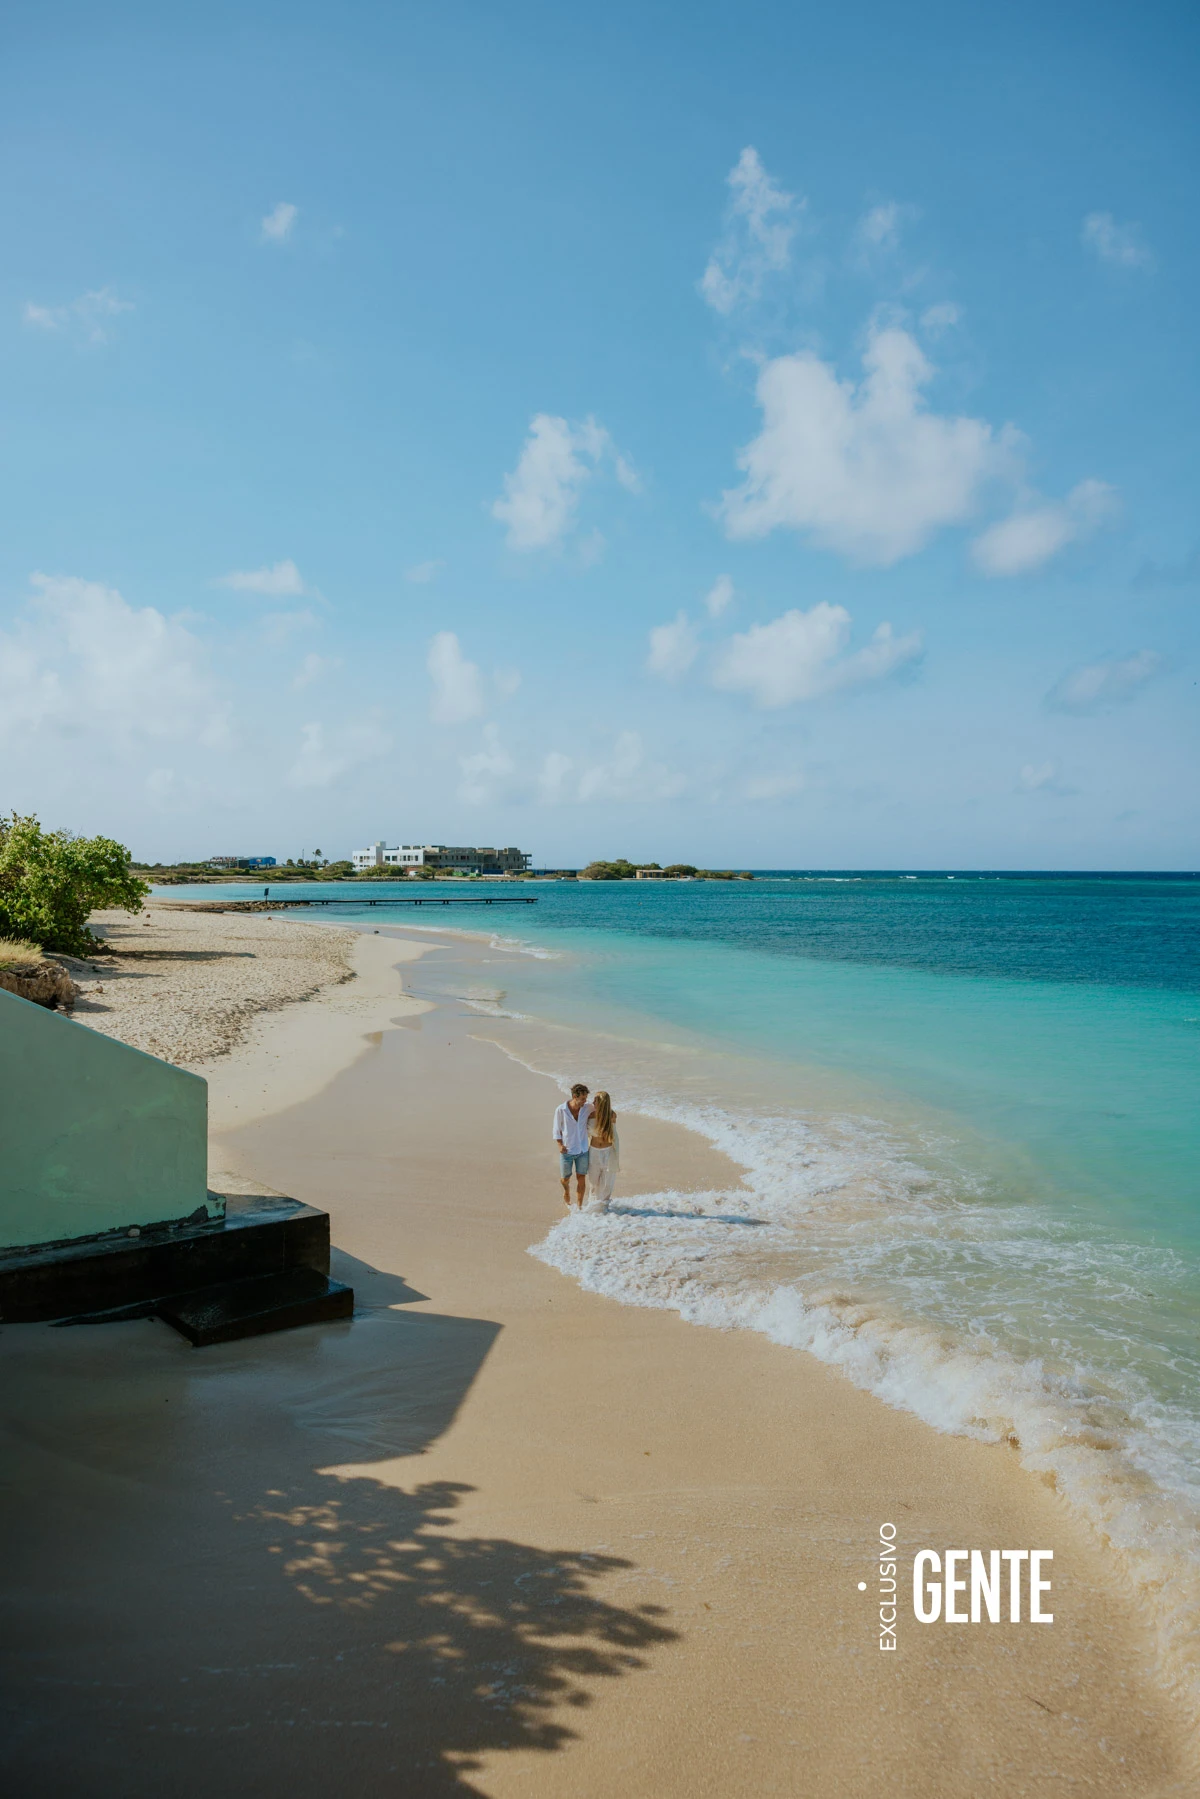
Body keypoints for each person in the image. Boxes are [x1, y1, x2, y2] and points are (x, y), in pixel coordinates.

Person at [553, 1083, 592, 1209]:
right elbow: (556, 1129)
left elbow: (602, 1108)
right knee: (565, 1179)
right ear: (575, 1096)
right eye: (582, 1098)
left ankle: (579, 1206)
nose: (585, 1101)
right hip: (567, 1150)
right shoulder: (561, 1109)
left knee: (581, 1177)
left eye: (586, 1098)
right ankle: (566, 1191)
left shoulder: (587, 1108)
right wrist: (560, 1145)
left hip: (583, 1150)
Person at [584, 1090, 619, 1213]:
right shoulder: (590, 1115)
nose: (593, 1102)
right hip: (593, 1152)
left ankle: (603, 1210)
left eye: (596, 1100)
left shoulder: (612, 1115)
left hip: (608, 1152)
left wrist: (616, 1157)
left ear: (602, 1102)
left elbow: (614, 1135)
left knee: (606, 1184)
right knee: (593, 1182)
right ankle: (592, 1210)